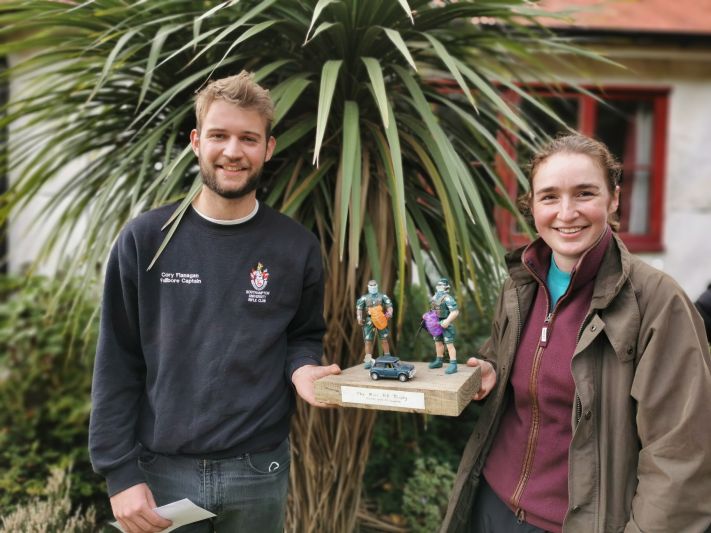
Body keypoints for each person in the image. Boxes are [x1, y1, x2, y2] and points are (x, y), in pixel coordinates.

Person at [89, 71, 341, 533]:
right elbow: (117, 360)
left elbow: (303, 336)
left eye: (248, 138)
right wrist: (119, 472)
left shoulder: (296, 247)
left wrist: (304, 370)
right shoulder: (145, 240)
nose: (232, 151)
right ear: (195, 141)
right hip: (161, 471)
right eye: (219, 135)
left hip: (258, 471)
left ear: (268, 147)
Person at [441, 133, 711, 532]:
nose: (566, 213)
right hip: (493, 506)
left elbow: (680, 455)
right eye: (549, 197)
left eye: (584, 193)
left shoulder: (656, 302)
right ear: (531, 205)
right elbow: (515, 361)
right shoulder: (522, 282)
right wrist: (490, 370)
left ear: (613, 199)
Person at [356, 280, 394, 369]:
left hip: (381, 319)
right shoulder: (364, 298)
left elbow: (389, 306)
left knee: (384, 339)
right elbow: (359, 308)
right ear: (368, 286)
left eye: (374, 285)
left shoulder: (382, 296)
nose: (373, 287)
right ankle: (368, 360)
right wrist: (359, 318)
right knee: (368, 340)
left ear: (377, 286)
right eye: (371, 286)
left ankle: (387, 357)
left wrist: (389, 313)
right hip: (370, 320)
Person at [425, 277, 459, 374]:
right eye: (438, 285)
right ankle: (439, 360)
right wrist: (428, 317)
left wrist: (447, 321)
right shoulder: (434, 298)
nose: (439, 287)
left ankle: (453, 364)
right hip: (436, 323)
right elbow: (433, 310)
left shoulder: (447, 298)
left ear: (446, 287)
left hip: (446, 325)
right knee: (438, 342)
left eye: (441, 285)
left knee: (449, 344)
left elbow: (455, 311)